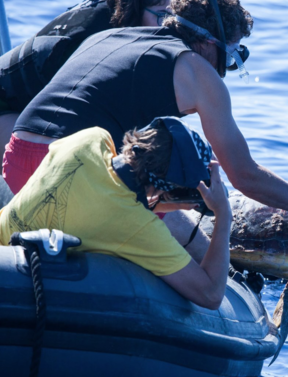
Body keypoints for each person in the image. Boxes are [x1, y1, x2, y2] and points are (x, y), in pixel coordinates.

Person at [3, 0, 288, 238]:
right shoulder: (199, 72)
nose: (231, 66)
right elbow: (244, 174)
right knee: (195, 245)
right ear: (211, 43)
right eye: (234, 53)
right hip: (70, 174)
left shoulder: (114, 35)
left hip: (16, 160)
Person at [0, 116, 230, 309]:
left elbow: (110, 191)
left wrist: (163, 198)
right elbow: (210, 295)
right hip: (19, 289)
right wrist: (223, 216)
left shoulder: (90, 138)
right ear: (169, 191)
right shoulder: (137, 227)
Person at [0, 0, 182, 170]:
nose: (169, 26)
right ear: (136, 9)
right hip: (7, 112)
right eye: (161, 16)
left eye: (174, 17)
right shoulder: (100, 38)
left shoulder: (113, 13)